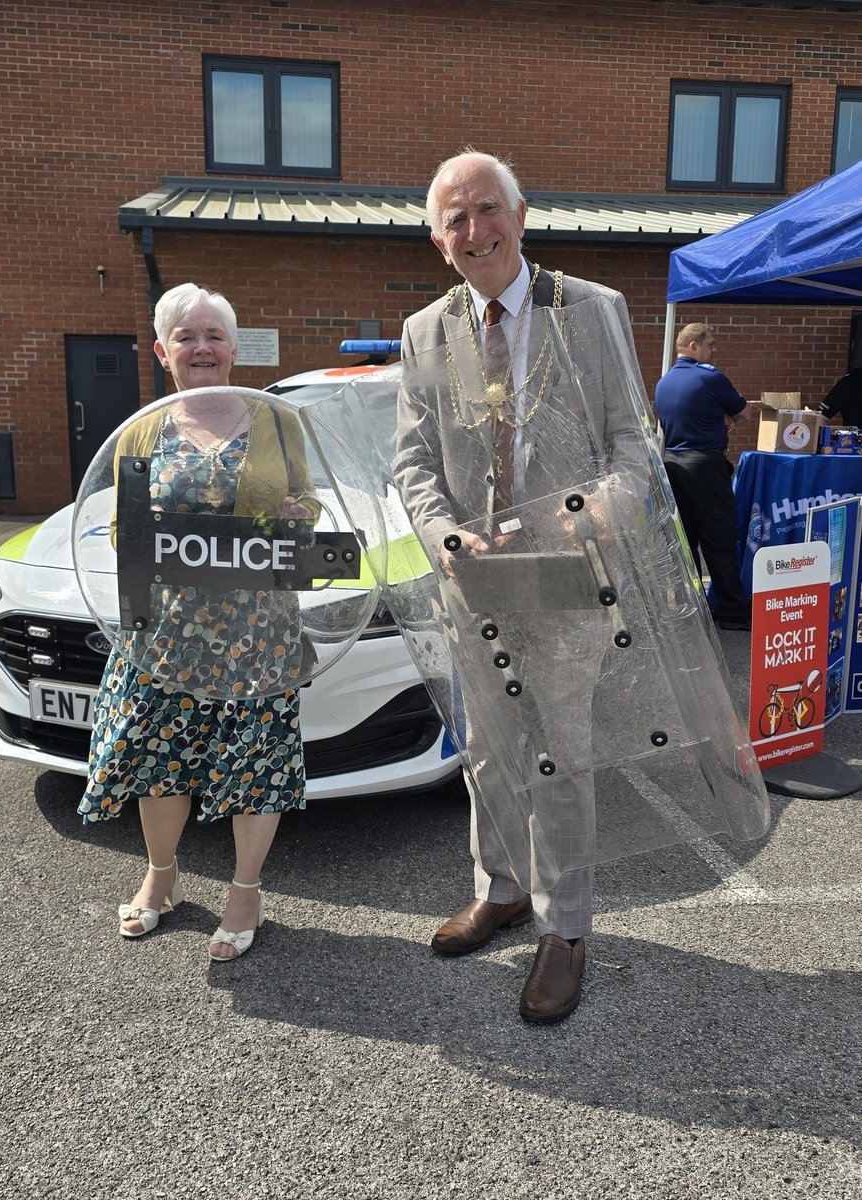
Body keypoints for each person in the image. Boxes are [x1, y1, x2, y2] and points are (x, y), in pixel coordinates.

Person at [394, 149, 645, 1024]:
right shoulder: (428, 333)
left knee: (561, 756)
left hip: (568, 577)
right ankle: (499, 890)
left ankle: (565, 928)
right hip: (477, 582)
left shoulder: (591, 311)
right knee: (491, 751)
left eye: (487, 209)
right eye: (455, 219)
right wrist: (441, 531)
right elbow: (415, 460)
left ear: (522, 213)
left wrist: (598, 510)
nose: (476, 231)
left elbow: (634, 452)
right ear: (438, 240)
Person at [79, 282, 316, 962]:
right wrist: (138, 530)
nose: (202, 347)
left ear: (234, 348)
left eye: (214, 335)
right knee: (158, 759)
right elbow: (123, 528)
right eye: (186, 336)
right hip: (165, 631)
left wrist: (300, 518)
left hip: (258, 630)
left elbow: (308, 502)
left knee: (255, 763)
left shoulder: (276, 421)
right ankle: (160, 876)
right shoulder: (142, 428)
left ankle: (246, 890)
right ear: (163, 351)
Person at [654, 323, 752, 632]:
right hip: (705, 466)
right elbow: (745, 412)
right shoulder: (709, 377)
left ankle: (694, 611)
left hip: (671, 464)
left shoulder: (664, 382)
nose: (714, 350)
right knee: (719, 540)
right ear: (693, 346)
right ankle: (734, 612)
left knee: (686, 541)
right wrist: (725, 418)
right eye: (710, 344)